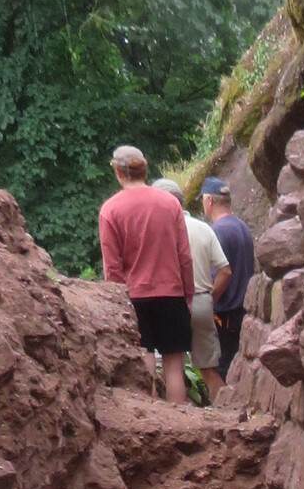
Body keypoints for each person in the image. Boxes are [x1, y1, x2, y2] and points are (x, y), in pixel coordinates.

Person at [98, 145, 192, 405]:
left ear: (117, 171)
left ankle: (150, 418)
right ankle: (179, 420)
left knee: (145, 362)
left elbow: (112, 268)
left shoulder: (110, 210)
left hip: (134, 298)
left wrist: (117, 305)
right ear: (145, 169)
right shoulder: (170, 204)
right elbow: (184, 256)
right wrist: (188, 294)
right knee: (174, 367)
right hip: (171, 293)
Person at [154, 175, 226, 401]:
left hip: (168, 302)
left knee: (167, 367)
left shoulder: (156, 231)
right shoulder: (203, 228)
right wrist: (210, 298)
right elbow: (225, 270)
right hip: (201, 301)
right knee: (208, 369)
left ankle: (170, 415)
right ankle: (225, 411)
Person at [202, 178, 256, 383]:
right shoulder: (241, 226)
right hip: (243, 311)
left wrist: (208, 303)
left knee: (223, 369)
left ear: (209, 201)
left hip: (224, 315)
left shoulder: (217, 232)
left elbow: (220, 275)